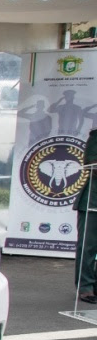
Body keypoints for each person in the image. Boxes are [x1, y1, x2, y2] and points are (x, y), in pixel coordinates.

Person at [75, 126, 97, 303]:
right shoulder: (96, 135)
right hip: (92, 201)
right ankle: (86, 287)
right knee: (87, 247)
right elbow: (91, 163)